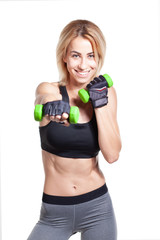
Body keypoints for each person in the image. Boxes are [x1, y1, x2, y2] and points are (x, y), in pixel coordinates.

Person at [27, 19, 122, 240]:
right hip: (54, 214)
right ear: (65, 56)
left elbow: (112, 154)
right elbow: (42, 97)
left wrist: (99, 105)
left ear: (98, 59)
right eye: (76, 55)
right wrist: (52, 105)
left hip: (98, 209)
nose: (83, 65)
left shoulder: (107, 93)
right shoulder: (49, 89)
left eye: (91, 56)